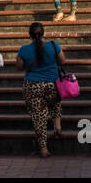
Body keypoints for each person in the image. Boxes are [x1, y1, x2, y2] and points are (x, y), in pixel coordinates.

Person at [15, 21, 66, 158]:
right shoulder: (53, 45)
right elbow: (62, 61)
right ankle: (58, 127)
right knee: (55, 102)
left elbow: (19, 67)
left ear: (29, 35)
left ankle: (43, 149)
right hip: (52, 83)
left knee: (39, 117)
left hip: (33, 85)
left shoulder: (23, 49)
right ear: (43, 33)